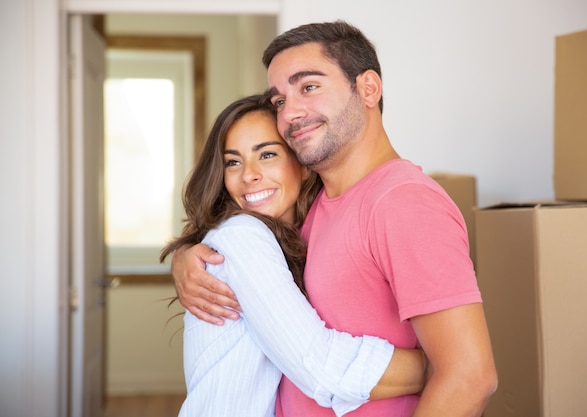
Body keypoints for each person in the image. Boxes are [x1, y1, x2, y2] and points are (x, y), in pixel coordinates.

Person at [172, 21, 498, 417]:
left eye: (308, 87)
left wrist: (434, 368)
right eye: (279, 101)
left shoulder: (403, 202)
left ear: (368, 89)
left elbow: (469, 378)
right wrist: (192, 252)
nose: (290, 112)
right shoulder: (314, 207)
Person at [160, 94, 427, 417]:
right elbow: (320, 367)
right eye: (233, 161)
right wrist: (440, 367)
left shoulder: (299, 235)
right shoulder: (243, 235)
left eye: (267, 155)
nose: (249, 175)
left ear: (302, 166)